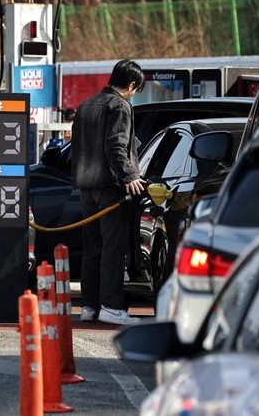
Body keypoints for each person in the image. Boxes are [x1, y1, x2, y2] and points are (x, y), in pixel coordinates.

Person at [71, 59, 146, 325]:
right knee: (113, 249)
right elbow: (116, 145)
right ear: (132, 85)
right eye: (135, 91)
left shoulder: (85, 105)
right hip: (110, 189)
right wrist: (129, 176)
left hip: (86, 188)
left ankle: (89, 306)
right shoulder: (120, 106)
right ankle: (112, 307)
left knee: (92, 249)